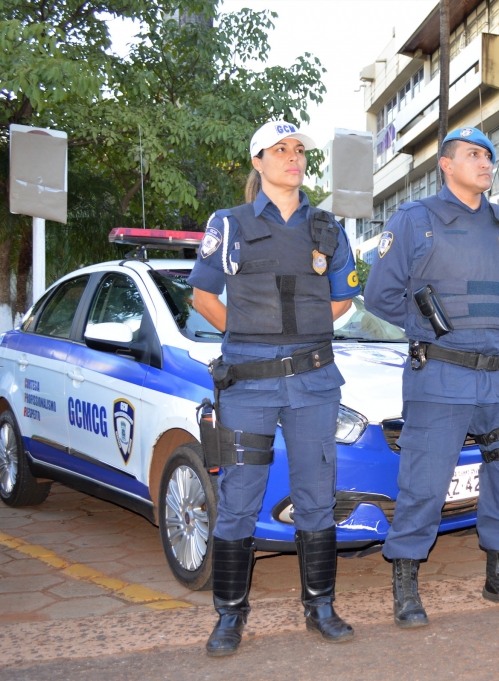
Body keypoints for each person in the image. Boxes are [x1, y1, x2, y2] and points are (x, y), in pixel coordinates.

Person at [189, 120, 361, 655]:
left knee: (316, 496)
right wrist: (251, 337)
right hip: (250, 384)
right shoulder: (229, 223)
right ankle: (229, 617)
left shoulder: (329, 228)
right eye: (279, 150)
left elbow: (341, 301)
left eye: (298, 150)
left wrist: (296, 340)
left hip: (313, 382)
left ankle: (320, 605)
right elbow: (203, 297)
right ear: (257, 162)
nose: (293, 157)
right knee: (240, 498)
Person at [365, 126, 499, 628]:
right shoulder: (416, 220)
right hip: (441, 375)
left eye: (489, 155)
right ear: (445, 164)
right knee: (424, 483)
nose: (486, 162)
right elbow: (380, 296)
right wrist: (429, 327)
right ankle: (405, 585)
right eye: (472, 154)